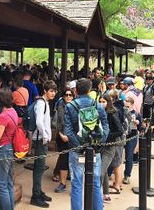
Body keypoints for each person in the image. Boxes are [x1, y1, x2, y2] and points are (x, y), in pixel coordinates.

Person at [63, 78, 109, 210]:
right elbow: (105, 128)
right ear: (90, 90)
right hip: (95, 150)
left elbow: (68, 131)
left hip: (76, 150)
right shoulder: (98, 106)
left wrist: (80, 146)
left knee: (76, 184)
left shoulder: (70, 106)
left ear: (75, 90)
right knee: (95, 183)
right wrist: (97, 145)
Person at [30, 80, 56, 208]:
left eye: (54, 91)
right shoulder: (41, 103)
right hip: (41, 139)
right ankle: (35, 195)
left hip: (42, 139)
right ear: (45, 91)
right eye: (51, 91)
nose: (53, 93)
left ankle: (38, 191)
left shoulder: (44, 102)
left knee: (40, 167)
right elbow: (39, 122)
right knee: (39, 168)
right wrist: (45, 135)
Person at [99, 93, 123, 202]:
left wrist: (107, 136)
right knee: (102, 170)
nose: (101, 104)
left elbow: (119, 130)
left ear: (108, 102)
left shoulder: (112, 114)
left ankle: (95, 194)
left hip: (109, 146)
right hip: (99, 146)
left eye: (103, 102)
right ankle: (105, 193)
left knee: (100, 172)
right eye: (99, 101)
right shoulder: (98, 113)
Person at [52, 88, 74, 193]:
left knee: (74, 161)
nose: (68, 97)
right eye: (66, 95)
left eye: (70, 95)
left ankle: (75, 185)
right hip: (62, 137)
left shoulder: (76, 108)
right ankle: (62, 183)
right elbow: (56, 123)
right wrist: (61, 134)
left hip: (74, 139)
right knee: (64, 159)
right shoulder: (60, 107)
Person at [122, 96, 142, 185]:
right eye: (125, 102)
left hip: (132, 135)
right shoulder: (121, 112)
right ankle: (111, 172)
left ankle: (127, 175)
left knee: (129, 156)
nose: (126, 104)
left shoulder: (137, 114)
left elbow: (141, 128)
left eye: (128, 103)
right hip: (122, 136)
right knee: (116, 155)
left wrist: (138, 123)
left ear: (132, 104)